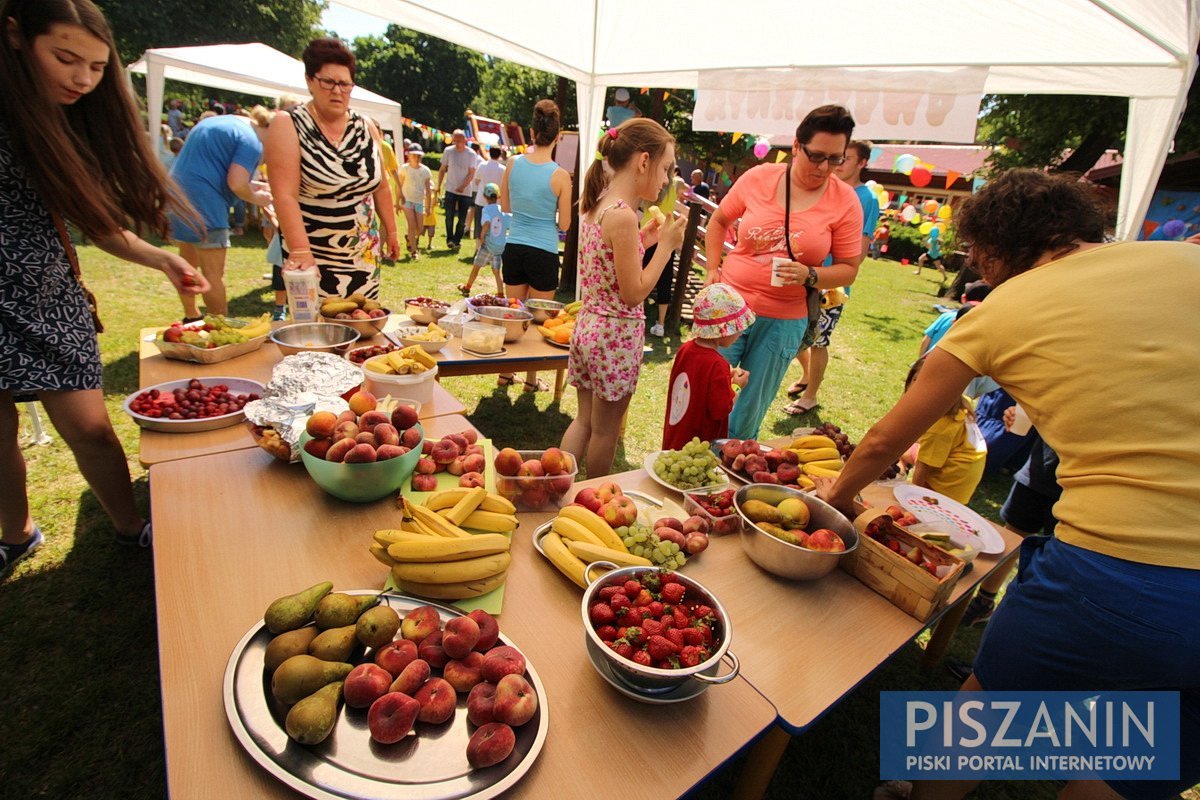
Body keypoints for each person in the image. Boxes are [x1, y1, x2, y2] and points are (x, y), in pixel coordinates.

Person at [819, 169, 1200, 800]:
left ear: (994, 249)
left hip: (1118, 570)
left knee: (983, 722)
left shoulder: (1007, 306)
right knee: (1141, 757)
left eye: (976, 257)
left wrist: (832, 500)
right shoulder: (1180, 258)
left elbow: (885, 441)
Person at [1, 0, 210, 566]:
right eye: (67, 59)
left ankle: (129, 525)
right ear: (16, 36)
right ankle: (15, 533)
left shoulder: (69, 122)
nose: (83, 79)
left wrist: (161, 258)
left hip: (47, 297)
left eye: (96, 67)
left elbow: (97, 224)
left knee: (90, 428)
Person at [703, 105, 864, 440]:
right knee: (708, 394)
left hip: (784, 319)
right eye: (816, 156)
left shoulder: (846, 201)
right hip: (730, 307)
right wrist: (711, 270)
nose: (824, 168)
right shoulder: (760, 177)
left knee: (749, 409)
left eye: (835, 159)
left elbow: (849, 270)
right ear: (795, 146)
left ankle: (723, 479)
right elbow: (719, 221)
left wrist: (810, 275)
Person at [561, 118, 686, 478]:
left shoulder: (599, 204)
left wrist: (645, 241)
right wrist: (665, 248)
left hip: (588, 328)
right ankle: (592, 500)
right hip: (615, 336)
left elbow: (610, 261)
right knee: (605, 431)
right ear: (643, 161)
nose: (665, 181)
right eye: (666, 169)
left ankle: (555, 486)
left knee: (584, 422)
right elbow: (633, 293)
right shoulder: (624, 216)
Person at [266, 38, 399, 300]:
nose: (337, 91)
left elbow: (381, 185)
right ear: (310, 81)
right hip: (314, 254)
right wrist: (301, 251)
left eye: (345, 84)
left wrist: (392, 231)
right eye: (328, 82)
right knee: (317, 334)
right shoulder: (288, 124)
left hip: (364, 256)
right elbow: (284, 195)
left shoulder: (366, 127)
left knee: (363, 325)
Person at [786, 139, 879, 414]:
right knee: (795, 332)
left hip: (830, 285)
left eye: (844, 159)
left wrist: (831, 274)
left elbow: (858, 253)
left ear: (862, 163)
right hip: (801, 275)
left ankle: (811, 395)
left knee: (818, 340)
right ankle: (806, 375)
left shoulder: (866, 198)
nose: (836, 165)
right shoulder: (826, 189)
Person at [168, 106, 273, 320]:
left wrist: (253, 186)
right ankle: (219, 328)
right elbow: (235, 183)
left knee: (187, 266)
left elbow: (215, 170)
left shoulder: (221, 123)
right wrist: (256, 197)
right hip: (205, 204)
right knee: (213, 275)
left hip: (176, 195)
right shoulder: (252, 141)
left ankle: (191, 315)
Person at [497, 99, 572, 391]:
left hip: (514, 246)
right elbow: (564, 225)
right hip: (544, 251)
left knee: (512, 316)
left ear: (531, 131)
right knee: (539, 321)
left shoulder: (513, 163)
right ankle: (530, 379)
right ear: (558, 135)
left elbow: (505, 205)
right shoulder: (560, 175)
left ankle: (504, 374)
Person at [661, 283, 753, 450]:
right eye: (738, 328)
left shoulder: (685, 349)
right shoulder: (718, 364)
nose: (740, 334)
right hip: (699, 445)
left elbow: (698, 378)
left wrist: (727, 375)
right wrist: (737, 386)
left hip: (677, 434)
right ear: (724, 330)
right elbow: (721, 408)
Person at [902, 356, 986, 504]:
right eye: (917, 380)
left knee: (914, 498)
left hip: (947, 488)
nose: (921, 388)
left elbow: (923, 468)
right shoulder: (959, 402)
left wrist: (910, 502)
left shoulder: (940, 426)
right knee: (904, 450)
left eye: (931, 384)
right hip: (961, 474)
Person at [916, 280, 990, 357]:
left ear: (963, 298)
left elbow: (927, 339)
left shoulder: (947, 316)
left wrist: (920, 358)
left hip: (929, 360)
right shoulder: (983, 326)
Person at [460, 182, 508, 296]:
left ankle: (467, 288)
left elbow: (486, 222)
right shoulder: (502, 210)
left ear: (484, 197)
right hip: (500, 247)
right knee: (496, 271)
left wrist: (482, 235)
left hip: (488, 245)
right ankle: (500, 293)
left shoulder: (486, 209)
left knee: (476, 267)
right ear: (499, 196)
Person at [437, 129, 477, 250]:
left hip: (465, 191)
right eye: (455, 140)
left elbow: (471, 173)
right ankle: (450, 239)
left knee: (462, 218)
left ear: (465, 140)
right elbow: (442, 169)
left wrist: (462, 186)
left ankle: (457, 239)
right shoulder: (448, 151)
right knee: (449, 215)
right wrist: (438, 185)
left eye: (460, 140)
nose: (457, 142)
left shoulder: (471, 154)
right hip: (450, 188)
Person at [397, 144, 433, 259]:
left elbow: (428, 190)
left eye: (418, 156)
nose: (416, 158)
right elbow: (399, 185)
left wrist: (428, 207)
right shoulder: (404, 168)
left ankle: (410, 238)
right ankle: (414, 251)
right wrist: (397, 201)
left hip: (419, 201)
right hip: (407, 200)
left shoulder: (425, 170)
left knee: (420, 229)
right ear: (409, 155)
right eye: (414, 155)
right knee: (411, 225)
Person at [472, 145, 506, 246]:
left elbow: (477, 181)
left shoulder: (482, 165)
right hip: (496, 203)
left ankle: (478, 248)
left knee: (479, 224)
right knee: (494, 226)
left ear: (489, 153)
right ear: (499, 155)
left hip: (481, 200)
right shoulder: (503, 169)